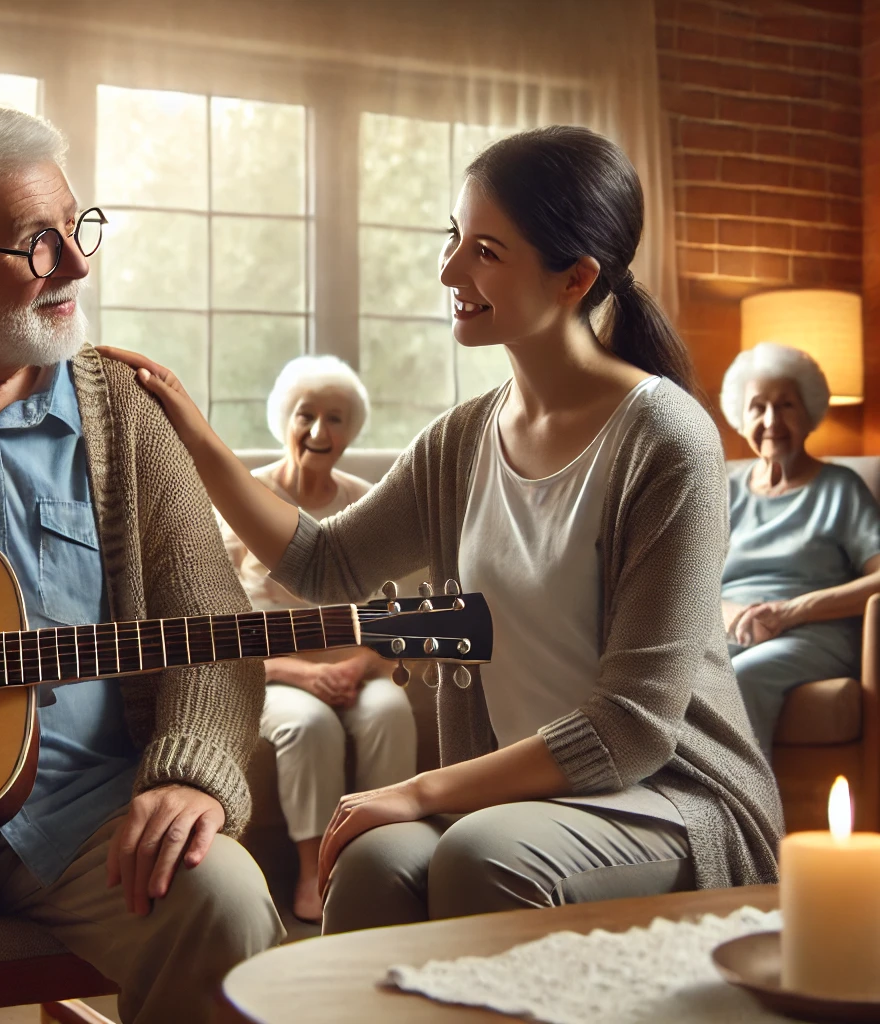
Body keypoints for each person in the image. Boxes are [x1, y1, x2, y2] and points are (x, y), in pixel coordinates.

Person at [99, 125, 784, 936]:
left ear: (576, 279)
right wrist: (197, 436)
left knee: (478, 853)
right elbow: (325, 561)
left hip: (670, 793)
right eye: (454, 238)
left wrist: (420, 791)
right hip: (531, 798)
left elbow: (633, 725)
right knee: (374, 859)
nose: (449, 270)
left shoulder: (667, 438)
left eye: (486, 251)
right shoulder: (463, 439)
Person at [0, 105, 282, 1024]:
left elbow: (213, 619)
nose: (78, 266)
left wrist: (193, 769)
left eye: (76, 229)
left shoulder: (126, 411)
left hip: (95, 811)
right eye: (38, 245)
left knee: (231, 903)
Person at [221, 355, 417, 923]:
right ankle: (315, 873)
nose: (318, 432)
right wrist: (303, 674)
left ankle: (382, 863)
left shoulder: (367, 501)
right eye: (305, 415)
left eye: (335, 418)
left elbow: (397, 614)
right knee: (309, 726)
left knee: (391, 713)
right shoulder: (244, 499)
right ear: (284, 418)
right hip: (272, 675)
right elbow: (215, 622)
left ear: (350, 430)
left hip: (358, 670)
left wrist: (357, 668)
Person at [719, 342, 880, 754]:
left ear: (809, 412)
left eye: (786, 405)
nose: (772, 420)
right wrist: (730, 613)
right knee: (666, 676)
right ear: (742, 415)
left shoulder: (841, 488)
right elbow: (688, 580)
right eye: (758, 406)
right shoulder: (724, 490)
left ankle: (743, 814)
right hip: (730, 627)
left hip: (814, 634)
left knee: (740, 676)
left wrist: (792, 612)